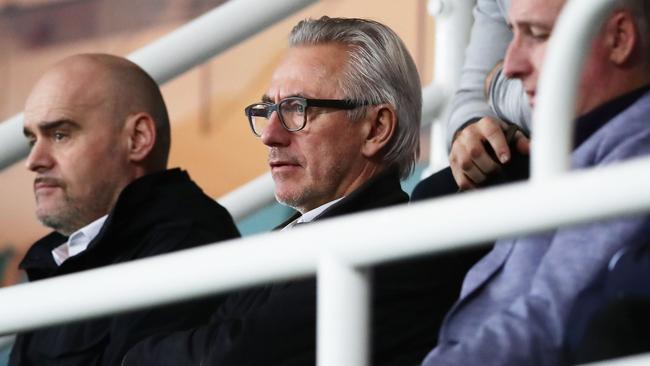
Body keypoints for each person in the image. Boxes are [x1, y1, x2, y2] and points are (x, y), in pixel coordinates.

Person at [122, 16, 485, 365]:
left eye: (297, 109)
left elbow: (231, 356)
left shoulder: (392, 250)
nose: (270, 134)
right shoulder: (289, 237)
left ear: (376, 128)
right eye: (268, 109)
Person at [422, 0, 650, 364]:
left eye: (538, 36)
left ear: (620, 39)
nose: (510, 65)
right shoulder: (580, 145)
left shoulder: (632, 160)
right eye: (513, 33)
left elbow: (550, 322)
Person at [9, 54, 240, 366]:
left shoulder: (187, 243)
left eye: (60, 135)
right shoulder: (61, 254)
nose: (34, 161)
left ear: (137, 139)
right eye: (31, 140)